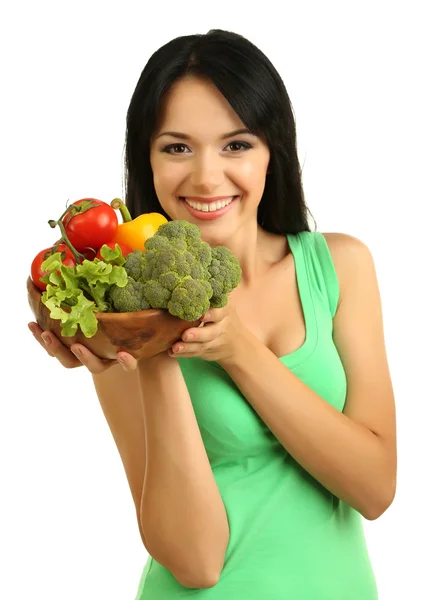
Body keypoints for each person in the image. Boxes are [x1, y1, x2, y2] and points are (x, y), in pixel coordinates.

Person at [27, 29, 397, 599]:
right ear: (145, 159)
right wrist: (151, 345)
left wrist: (239, 351)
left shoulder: (340, 267)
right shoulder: (120, 317)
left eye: (236, 145)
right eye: (176, 147)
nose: (205, 177)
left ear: (273, 150)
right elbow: (195, 562)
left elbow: (374, 488)